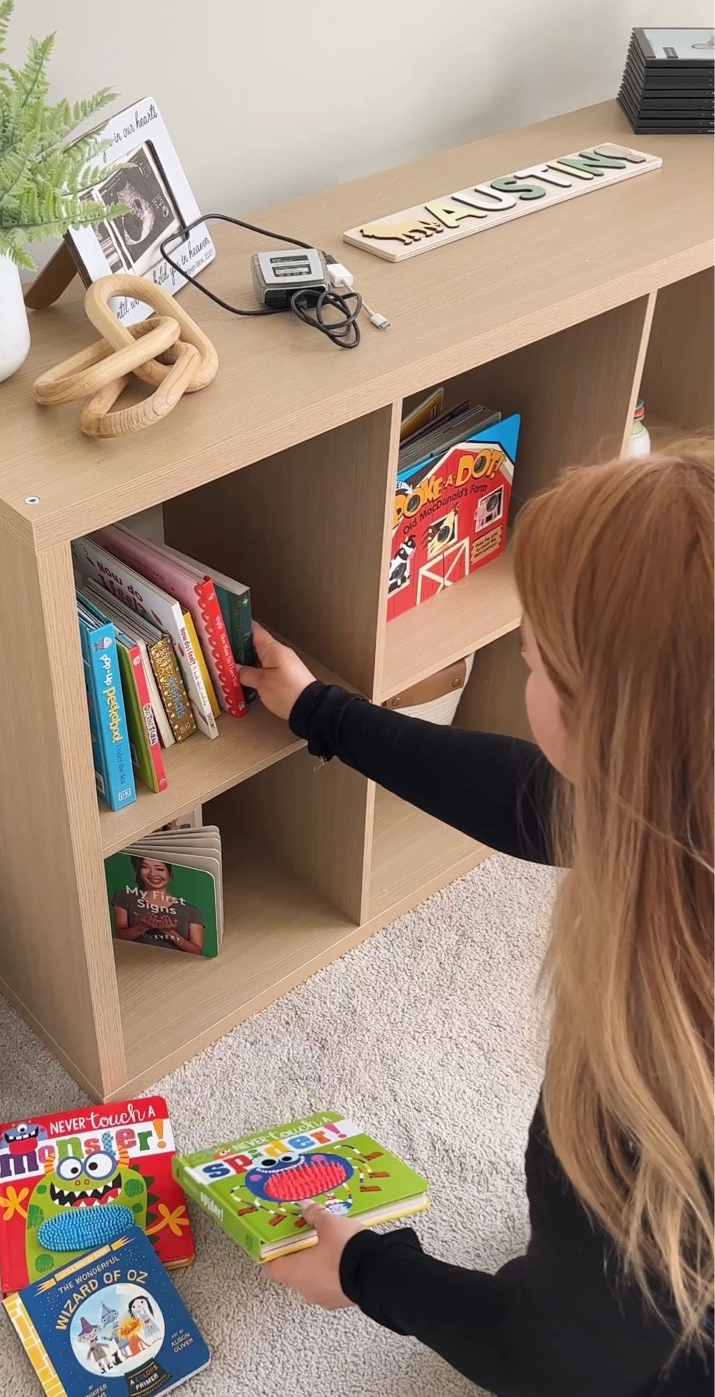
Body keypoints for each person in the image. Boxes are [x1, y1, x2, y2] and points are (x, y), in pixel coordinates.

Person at [237, 449, 714, 1397]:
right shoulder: (683, 789)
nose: (523, 669)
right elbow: (537, 795)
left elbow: (553, 1362)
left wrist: (367, 1273)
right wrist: (322, 713)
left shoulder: (647, 1096)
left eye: (532, 660)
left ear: (599, 723)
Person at [112, 856, 205, 954]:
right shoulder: (124, 897)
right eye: (145, 867)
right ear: (139, 871)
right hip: (137, 960)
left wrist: (170, 932)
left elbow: (196, 950)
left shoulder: (190, 910)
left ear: (170, 874)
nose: (152, 873)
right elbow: (120, 936)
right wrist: (142, 927)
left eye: (159, 869)